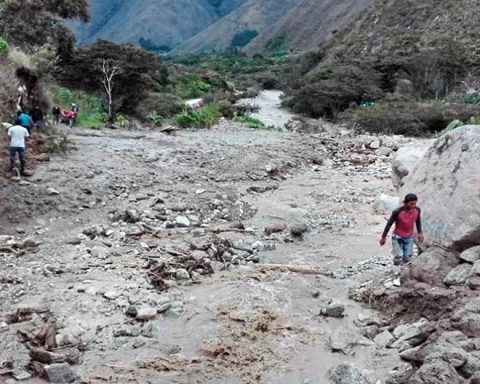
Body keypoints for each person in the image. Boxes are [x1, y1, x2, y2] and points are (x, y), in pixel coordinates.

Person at [380, 193, 424, 265]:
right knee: (398, 257)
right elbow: (389, 224)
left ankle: (403, 273)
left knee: (407, 257)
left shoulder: (417, 210)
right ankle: (396, 271)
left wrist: (420, 233)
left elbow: (418, 220)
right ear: (405, 203)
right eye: (411, 204)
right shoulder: (397, 212)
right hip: (397, 237)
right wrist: (383, 237)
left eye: (414, 204)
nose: (413, 206)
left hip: (409, 237)